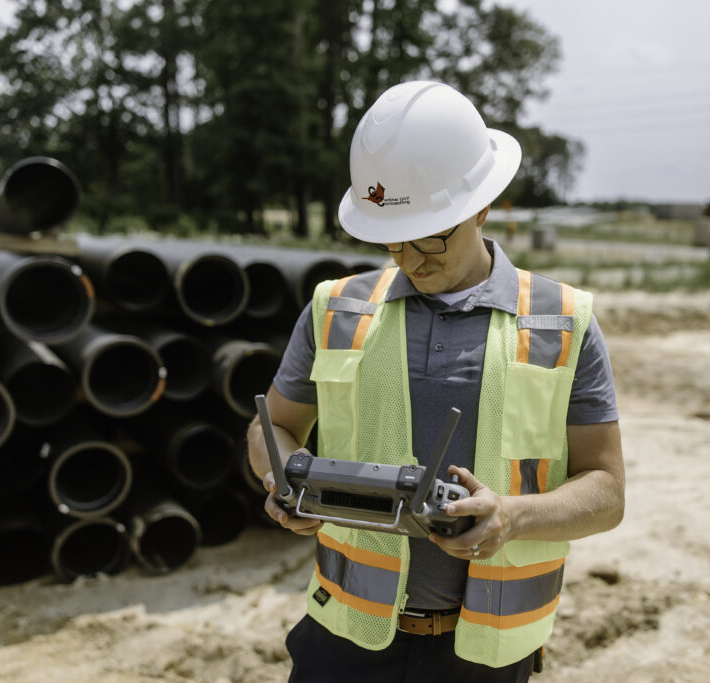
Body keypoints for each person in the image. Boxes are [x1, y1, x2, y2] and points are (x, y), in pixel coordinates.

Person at [247, 80, 624, 683]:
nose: (411, 259)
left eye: (430, 236)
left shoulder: (561, 321)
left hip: (484, 658)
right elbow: (276, 429)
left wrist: (514, 516)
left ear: (481, 206)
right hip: (343, 639)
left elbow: (605, 492)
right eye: (393, 241)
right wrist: (281, 478)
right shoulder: (337, 309)